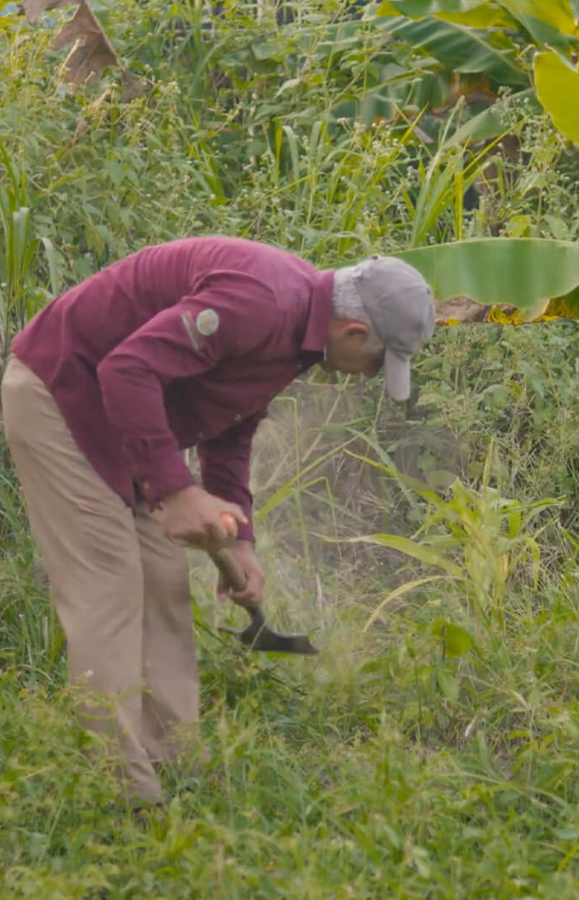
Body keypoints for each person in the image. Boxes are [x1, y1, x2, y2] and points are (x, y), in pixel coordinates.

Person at [0, 236, 435, 806]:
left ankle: (177, 771)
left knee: (163, 586)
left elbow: (232, 425)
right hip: (63, 396)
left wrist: (244, 540)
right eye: (376, 363)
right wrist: (176, 490)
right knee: (110, 592)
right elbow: (125, 368)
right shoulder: (263, 302)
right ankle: (122, 800)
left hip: (121, 423)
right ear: (354, 333)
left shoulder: (300, 332)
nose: (365, 375)